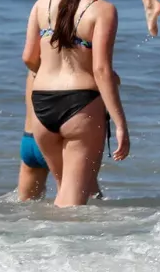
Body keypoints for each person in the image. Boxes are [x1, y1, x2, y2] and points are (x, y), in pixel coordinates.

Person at [22, 0, 130, 207]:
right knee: (71, 208)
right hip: (80, 107)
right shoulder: (103, 10)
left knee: (67, 195)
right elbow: (101, 70)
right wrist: (120, 125)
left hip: (42, 106)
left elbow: (29, 58)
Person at [17, 70, 106, 202]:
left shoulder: (42, 65)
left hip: (31, 138)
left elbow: (29, 60)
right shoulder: (80, 66)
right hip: (63, 140)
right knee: (86, 201)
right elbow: (101, 71)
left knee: (24, 209)